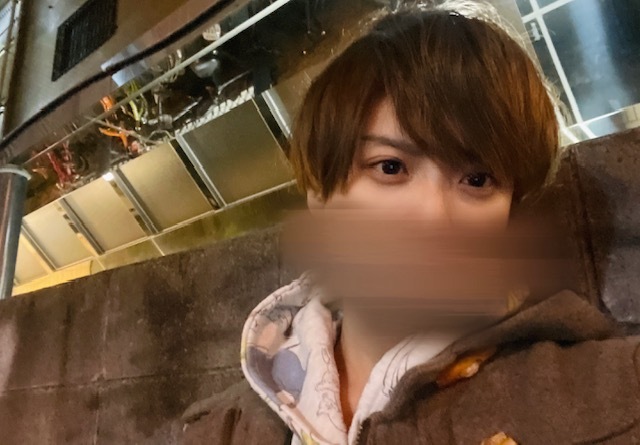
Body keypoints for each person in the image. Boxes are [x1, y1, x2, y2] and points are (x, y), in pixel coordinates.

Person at [181, 2, 640, 444]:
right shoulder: (217, 430)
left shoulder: (607, 392)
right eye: (390, 167)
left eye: (477, 180)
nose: (433, 217)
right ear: (320, 193)